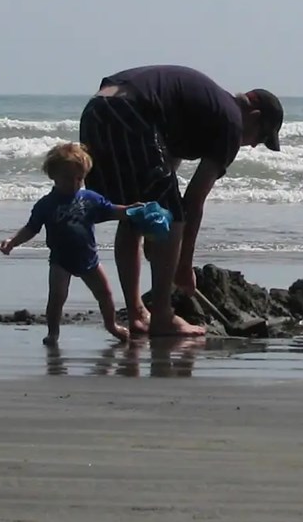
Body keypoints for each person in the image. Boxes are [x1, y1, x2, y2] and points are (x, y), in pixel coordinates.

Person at [78, 65, 284, 337]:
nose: (255, 145)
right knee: (171, 214)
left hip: (97, 110)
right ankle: (162, 316)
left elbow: (164, 171)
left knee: (138, 213)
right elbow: (193, 201)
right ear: (254, 116)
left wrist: (158, 238)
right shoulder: (231, 123)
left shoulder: (204, 109)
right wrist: (184, 265)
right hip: (130, 113)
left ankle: (138, 315)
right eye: (261, 137)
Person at [0, 142, 134, 345]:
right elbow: (31, 228)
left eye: (79, 178)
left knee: (105, 293)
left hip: (89, 258)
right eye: (67, 178)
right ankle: (53, 333)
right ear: (53, 176)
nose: (74, 183)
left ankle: (111, 325)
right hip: (60, 261)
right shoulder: (46, 204)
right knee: (57, 298)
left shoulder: (90, 199)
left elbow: (112, 210)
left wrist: (133, 210)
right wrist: (12, 242)